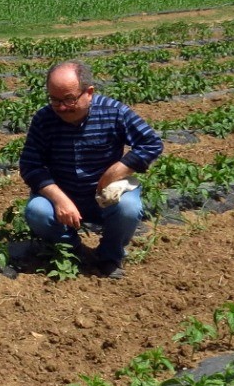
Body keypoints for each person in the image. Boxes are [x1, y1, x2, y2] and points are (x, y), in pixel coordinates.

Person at [19, 60, 163, 279]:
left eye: (69, 99)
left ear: (89, 92)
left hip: (103, 196)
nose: (62, 107)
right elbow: (31, 165)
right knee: (37, 211)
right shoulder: (44, 119)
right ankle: (73, 250)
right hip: (65, 194)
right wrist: (59, 199)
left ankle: (110, 256)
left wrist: (116, 171)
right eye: (54, 100)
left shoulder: (114, 112)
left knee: (128, 208)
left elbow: (151, 143)